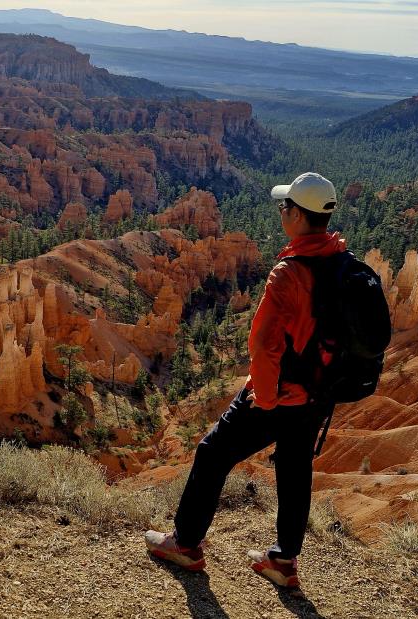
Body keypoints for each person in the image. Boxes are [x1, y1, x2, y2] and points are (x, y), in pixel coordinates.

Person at [145, 172, 347, 589]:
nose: (281, 211)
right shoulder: (342, 261)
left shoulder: (289, 273)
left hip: (281, 393)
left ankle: (184, 544)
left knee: (212, 453)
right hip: (318, 393)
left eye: (284, 205)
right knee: (295, 469)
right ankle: (284, 562)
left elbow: (264, 345)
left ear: (297, 214)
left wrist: (266, 399)